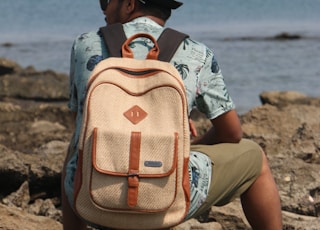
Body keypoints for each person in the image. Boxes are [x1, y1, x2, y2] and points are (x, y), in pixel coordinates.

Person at [61, 0, 283, 229]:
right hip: (165, 201)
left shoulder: (84, 44)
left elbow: (82, 125)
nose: (104, 9)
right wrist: (183, 141)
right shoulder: (197, 53)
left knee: (76, 151)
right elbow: (232, 133)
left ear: (129, 4)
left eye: (106, 1)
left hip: (90, 198)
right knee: (255, 157)